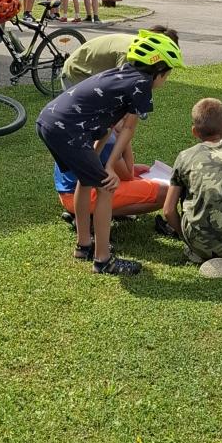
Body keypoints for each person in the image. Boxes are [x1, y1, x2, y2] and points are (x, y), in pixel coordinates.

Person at [36, 29, 184, 275]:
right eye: (167, 75)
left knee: (87, 181)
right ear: (159, 72)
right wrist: (108, 168)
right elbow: (127, 130)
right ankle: (103, 260)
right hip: (67, 129)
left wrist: (99, 159)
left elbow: (106, 126)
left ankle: (84, 246)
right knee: (106, 187)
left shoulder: (121, 75)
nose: (165, 81)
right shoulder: (141, 84)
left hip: (50, 121)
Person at [163, 97, 222, 279]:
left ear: (194, 131)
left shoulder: (184, 157)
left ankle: (199, 253)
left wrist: (185, 236)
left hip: (197, 242)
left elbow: (168, 210)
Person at [53, 116, 167, 219]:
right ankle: (91, 216)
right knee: (165, 191)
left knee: (142, 179)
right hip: (82, 198)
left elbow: (105, 166)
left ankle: (87, 214)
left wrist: (133, 168)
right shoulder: (108, 138)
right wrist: (125, 136)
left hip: (68, 194)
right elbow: (128, 176)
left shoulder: (90, 120)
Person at [61, 26, 179, 88]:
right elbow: (120, 85)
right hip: (77, 73)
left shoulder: (140, 49)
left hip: (91, 74)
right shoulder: (130, 55)